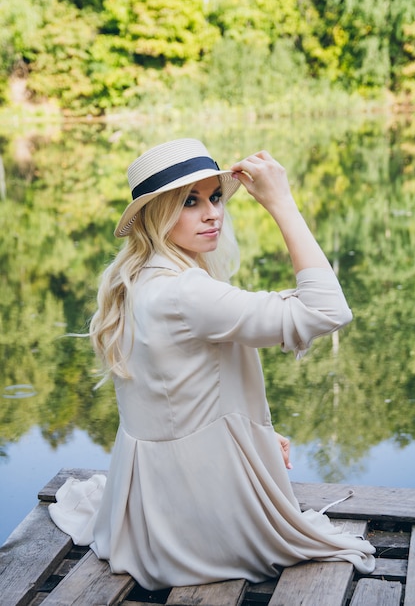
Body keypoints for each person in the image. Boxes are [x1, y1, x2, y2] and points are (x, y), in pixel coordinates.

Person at [49, 138, 375, 590]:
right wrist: (282, 203)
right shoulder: (187, 292)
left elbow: (172, 395)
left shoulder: (140, 277)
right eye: (190, 201)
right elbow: (327, 311)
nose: (212, 213)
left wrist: (252, 434)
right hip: (193, 519)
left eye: (215, 196)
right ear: (156, 214)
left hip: (154, 499)